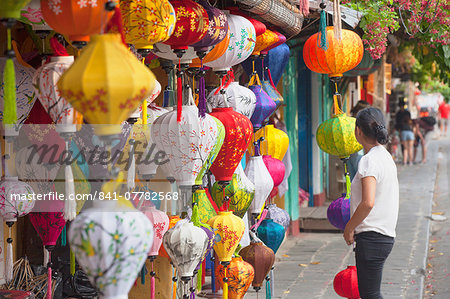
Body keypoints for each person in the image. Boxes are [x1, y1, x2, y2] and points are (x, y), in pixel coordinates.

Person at [344, 107, 399, 299]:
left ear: (358, 131)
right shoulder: (384, 156)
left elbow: (368, 202)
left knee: (370, 294)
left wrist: (349, 228)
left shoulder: (369, 161)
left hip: (372, 236)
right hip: (382, 235)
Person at [348, 100, 371, 180]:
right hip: (359, 151)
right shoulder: (361, 123)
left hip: (350, 152)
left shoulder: (349, 122)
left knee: (353, 179)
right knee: (361, 177)